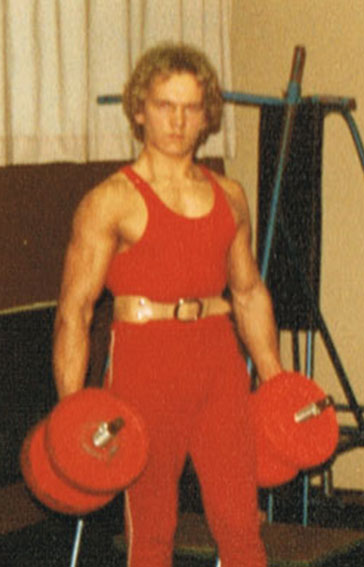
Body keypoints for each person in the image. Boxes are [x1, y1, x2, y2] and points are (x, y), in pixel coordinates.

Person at [53, 42, 281, 566]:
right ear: (139, 110)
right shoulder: (110, 200)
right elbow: (75, 312)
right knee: (153, 534)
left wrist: (274, 382)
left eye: (191, 108)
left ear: (206, 117)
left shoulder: (230, 195)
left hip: (219, 367)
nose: (177, 121)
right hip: (144, 368)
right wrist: (75, 411)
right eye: (164, 105)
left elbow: (246, 293)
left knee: (242, 528)